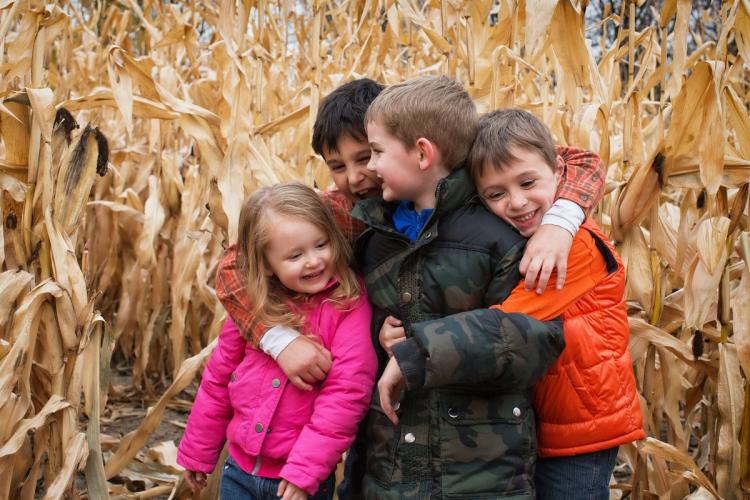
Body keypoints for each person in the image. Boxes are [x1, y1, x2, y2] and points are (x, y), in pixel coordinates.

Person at [355, 75, 567, 499]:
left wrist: (421, 350)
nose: (370, 167)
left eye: (377, 152)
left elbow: (535, 338)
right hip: (392, 472)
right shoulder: (374, 238)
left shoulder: (499, 236)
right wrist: (381, 330)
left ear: (421, 153)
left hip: (481, 478)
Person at [470, 109, 645, 499]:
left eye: (527, 182)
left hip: (580, 429)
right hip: (547, 422)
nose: (516, 202)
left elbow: (506, 324)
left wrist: (420, 343)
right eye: (496, 194)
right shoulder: (522, 238)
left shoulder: (572, 247)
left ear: (557, 171)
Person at [177, 183, 377, 500]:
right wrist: (199, 453)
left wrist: (304, 472)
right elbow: (217, 381)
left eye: (321, 245)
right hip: (238, 471)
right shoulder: (253, 309)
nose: (312, 261)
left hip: (296, 481)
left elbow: (346, 395)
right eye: (295, 255)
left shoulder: (348, 306)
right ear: (267, 265)